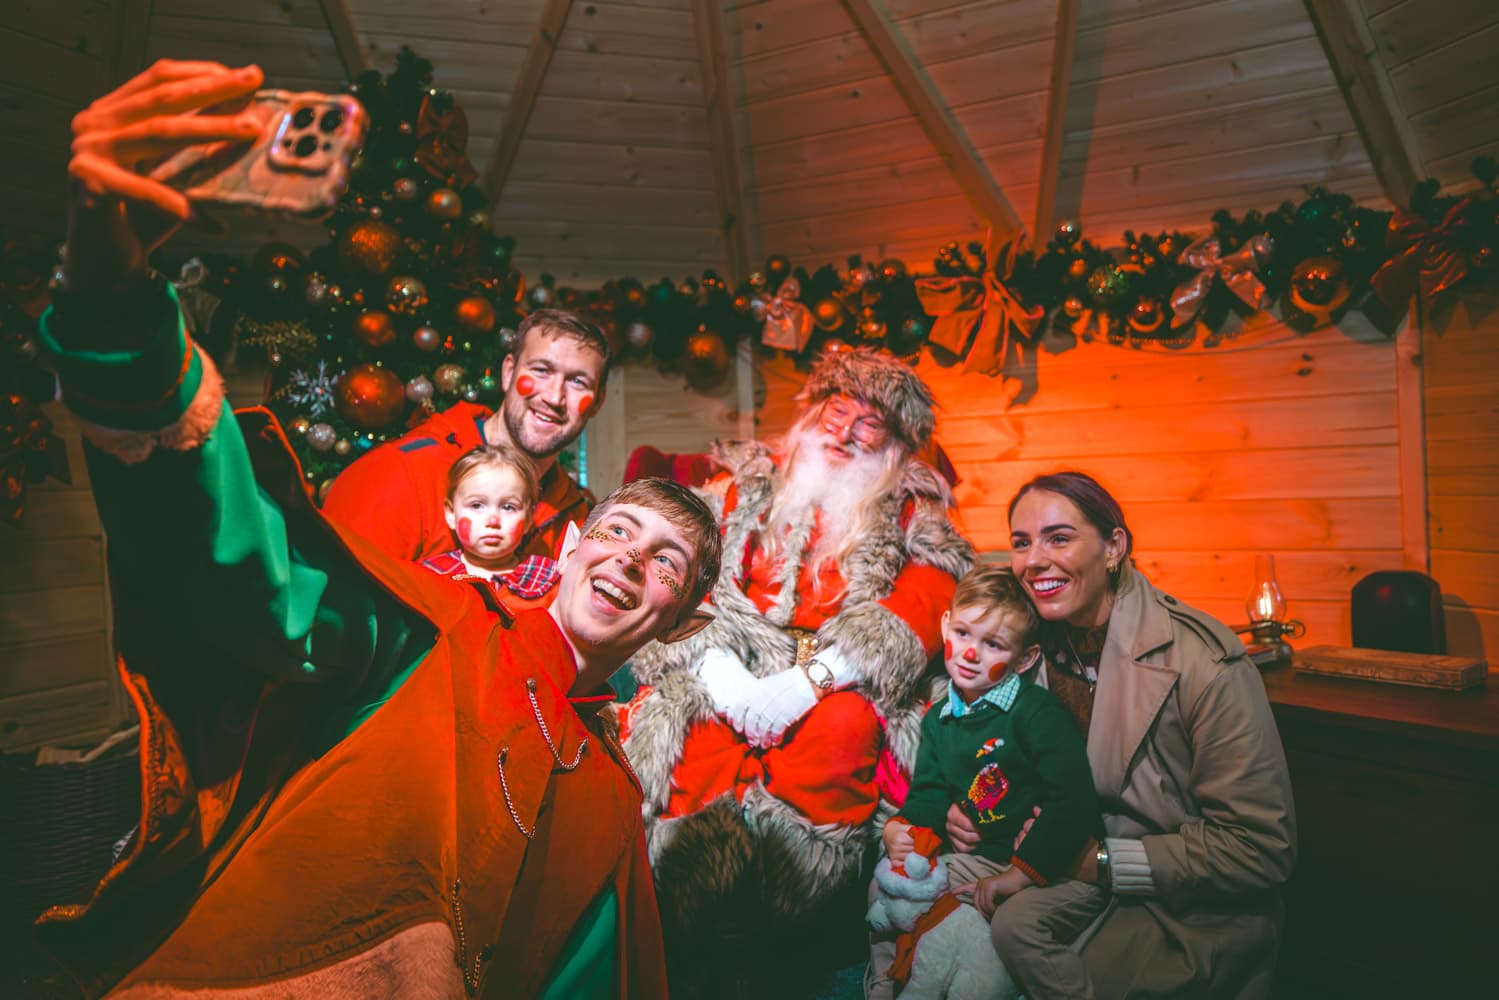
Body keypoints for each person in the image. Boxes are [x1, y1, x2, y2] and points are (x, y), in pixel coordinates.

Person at [36, 60, 722, 999]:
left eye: (667, 562)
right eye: (619, 532)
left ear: (681, 615)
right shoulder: (431, 619)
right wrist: (115, 304)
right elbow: (256, 583)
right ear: (570, 549)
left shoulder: (609, 797)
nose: (629, 560)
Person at [620, 349, 974, 949]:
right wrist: (720, 668)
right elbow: (683, 569)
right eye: (838, 412)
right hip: (730, 657)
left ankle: (797, 917)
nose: (846, 433)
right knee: (696, 739)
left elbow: (931, 590)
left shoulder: (913, 506)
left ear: (894, 444)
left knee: (838, 736)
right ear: (812, 416)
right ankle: (692, 906)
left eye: (870, 422)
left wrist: (817, 677)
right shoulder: (740, 488)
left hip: (845, 675)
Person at [944, 471, 1296, 999]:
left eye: (1059, 538)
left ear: (1113, 547)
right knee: (920, 885)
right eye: (1021, 542)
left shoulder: (1204, 663)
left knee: (1016, 938)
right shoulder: (1033, 641)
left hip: (1185, 907)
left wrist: (1102, 861)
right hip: (1062, 867)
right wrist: (974, 804)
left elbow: (1259, 849)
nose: (1034, 559)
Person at [866, 565, 1103, 1000]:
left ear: (1025, 658)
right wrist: (899, 829)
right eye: (963, 632)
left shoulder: (1036, 714)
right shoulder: (940, 719)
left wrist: (1019, 874)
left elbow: (1072, 801)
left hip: (1032, 865)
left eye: (992, 644)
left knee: (972, 944)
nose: (970, 654)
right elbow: (929, 798)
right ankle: (887, 983)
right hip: (970, 860)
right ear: (945, 625)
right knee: (885, 883)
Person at [321, 302, 608, 565]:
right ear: (508, 373)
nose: (554, 397)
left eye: (578, 382)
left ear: (598, 401)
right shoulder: (399, 475)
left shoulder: (574, 520)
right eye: (542, 370)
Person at [422, 443, 561, 611]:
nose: (493, 520)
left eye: (508, 507)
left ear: (529, 518)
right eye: (477, 505)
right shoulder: (431, 576)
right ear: (451, 514)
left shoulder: (549, 580)